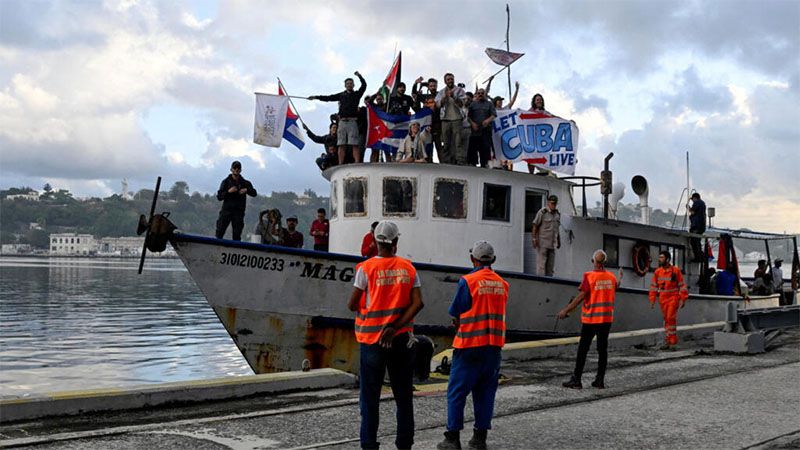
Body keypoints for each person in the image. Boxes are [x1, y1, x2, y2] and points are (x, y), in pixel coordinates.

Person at [347, 220, 424, 450]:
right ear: (396, 242)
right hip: (401, 340)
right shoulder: (408, 268)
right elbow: (418, 303)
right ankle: (404, 444)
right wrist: (395, 326)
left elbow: (351, 304)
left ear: (375, 241)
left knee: (370, 399)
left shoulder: (365, 269)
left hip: (372, 341)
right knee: (403, 397)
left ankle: (369, 445)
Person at [437, 241, 509, 450]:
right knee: (486, 393)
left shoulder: (467, 281)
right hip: (493, 347)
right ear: (493, 260)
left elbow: (456, 311)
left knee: (457, 392)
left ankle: (452, 438)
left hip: (469, 345)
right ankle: (479, 439)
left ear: (472, 259)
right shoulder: (503, 284)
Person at [558, 249, 622, 390]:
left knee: (583, 350)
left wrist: (565, 310)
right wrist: (620, 278)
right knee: (602, 350)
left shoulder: (589, 276)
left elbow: (580, 297)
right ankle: (600, 381)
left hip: (591, 320)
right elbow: (615, 287)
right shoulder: (611, 277)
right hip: (606, 320)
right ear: (604, 262)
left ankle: (577, 379)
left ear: (593, 261)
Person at [308, 71, 367, 165]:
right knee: (341, 144)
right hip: (342, 122)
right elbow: (329, 98)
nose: (349, 85)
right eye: (347, 84)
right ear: (345, 85)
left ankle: (356, 162)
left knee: (354, 144)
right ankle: (340, 163)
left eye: (351, 83)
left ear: (353, 85)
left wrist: (359, 76)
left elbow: (364, 86)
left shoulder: (357, 94)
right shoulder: (341, 95)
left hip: (352, 121)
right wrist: (316, 97)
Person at [648, 251, 689, 349]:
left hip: (673, 297)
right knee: (666, 319)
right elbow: (653, 287)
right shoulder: (658, 272)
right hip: (663, 298)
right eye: (659, 257)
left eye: (661, 257)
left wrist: (683, 298)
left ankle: (672, 340)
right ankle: (668, 340)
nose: (659, 259)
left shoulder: (675, 271)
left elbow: (682, 286)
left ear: (667, 259)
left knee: (671, 317)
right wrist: (652, 300)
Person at [215, 160, 257, 241]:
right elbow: (219, 197)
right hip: (226, 211)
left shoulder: (245, 183)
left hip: (238, 212)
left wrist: (247, 190)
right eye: (235, 168)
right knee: (220, 232)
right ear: (231, 169)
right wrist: (228, 192)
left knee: (237, 235)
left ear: (240, 170)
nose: (236, 169)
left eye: (238, 168)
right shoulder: (226, 182)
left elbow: (254, 193)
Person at [435, 73, 466, 165]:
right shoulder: (441, 92)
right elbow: (437, 105)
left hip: (457, 119)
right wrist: (445, 97)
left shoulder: (460, 90)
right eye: (448, 79)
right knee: (446, 142)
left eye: (452, 79)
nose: (450, 81)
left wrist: (454, 96)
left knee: (458, 142)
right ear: (445, 81)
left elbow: (462, 104)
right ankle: (447, 162)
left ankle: (460, 161)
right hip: (445, 119)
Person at [412, 77, 440, 163]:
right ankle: (428, 162)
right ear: (428, 87)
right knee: (427, 145)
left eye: (434, 86)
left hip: (437, 123)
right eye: (431, 86)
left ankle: (443, 163)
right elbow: (414, 95)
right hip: (426, 125)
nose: (433, 87)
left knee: (439, 146)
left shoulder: (440, 94)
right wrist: (416, 84)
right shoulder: (425, 96)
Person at [531, 195, 561, 276]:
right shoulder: (542, 212)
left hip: (552, 244)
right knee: (541, 267)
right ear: (548, 202)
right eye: (552, 203)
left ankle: (549, 284)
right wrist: (534, 239)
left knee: (550, 268)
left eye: (555, 204)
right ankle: (540, 283)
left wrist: (558, 241)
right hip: (542, 243)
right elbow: (535, 225)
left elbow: (557, 229)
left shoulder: (557, 214)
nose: (553, 205)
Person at [467, 88, 497, 168]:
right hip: (474, 131)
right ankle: (473, 164)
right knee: (473, 148)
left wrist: (487, 120)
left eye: (482, 93)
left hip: (485, 130)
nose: (480, 94)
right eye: (479, 93)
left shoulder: (489, 104)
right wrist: (472, 124)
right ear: (476, 94)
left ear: (485, 94)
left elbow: (494, 115)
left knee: (485, 148)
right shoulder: (473, 104)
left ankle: (484, 165)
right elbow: (468, 116)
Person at [688, 193, 707, 262]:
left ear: (695, 198)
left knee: (694, 241)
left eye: (692, 199)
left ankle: (698, 257)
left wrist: (688, 208)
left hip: (696, 226)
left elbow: (692, 212)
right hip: (701, 226)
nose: (692, 201)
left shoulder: (697, 203)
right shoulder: (702, 204)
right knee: (697, 241)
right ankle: (700, 256)